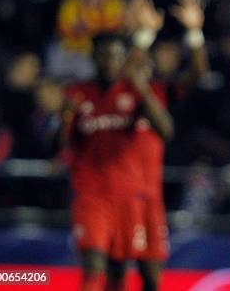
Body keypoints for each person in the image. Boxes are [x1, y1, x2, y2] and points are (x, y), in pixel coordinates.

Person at [57, 34, 173, 291]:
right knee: (93, 264)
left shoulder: (135, 92)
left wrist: (141, 88)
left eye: (116, 56)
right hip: (92, 194)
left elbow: (166, 131)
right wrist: (64, 116)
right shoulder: (78, 93)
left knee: (124, 271)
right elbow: (54, 146)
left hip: (134, 196)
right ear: (93, 57)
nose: (110, 62)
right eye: (105, 55)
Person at [125, 0, 209, 291]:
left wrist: (195, 32)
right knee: (116, 267)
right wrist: (145, 34)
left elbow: (198, 73)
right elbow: (130, 73)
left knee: (152, 269)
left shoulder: (162, 92)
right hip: (121, 193)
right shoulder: (122, 95)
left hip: (152, 191)